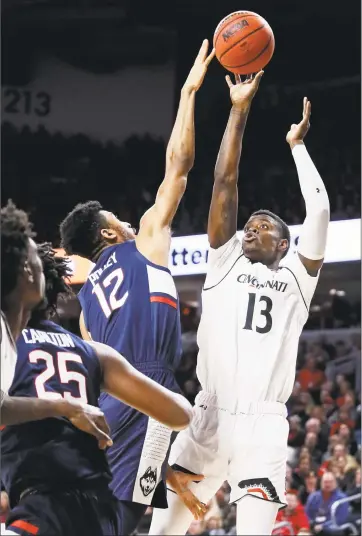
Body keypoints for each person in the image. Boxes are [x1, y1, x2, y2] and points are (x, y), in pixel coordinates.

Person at [150, 72, 330, 535]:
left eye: (265, 226)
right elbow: (225, 179)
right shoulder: (224, 259)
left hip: (262, 427)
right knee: (161, 532)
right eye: (249, 223)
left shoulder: (298, 278)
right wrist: (238, 109)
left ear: (286, 245)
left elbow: (320, 211)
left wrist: (297, 147)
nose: (251, 227)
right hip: (207, 416)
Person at [59, 40, 214, 532]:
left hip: (108, 403)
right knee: (126, 522)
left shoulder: (86, 301)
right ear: (108, 233)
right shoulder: (143, 242)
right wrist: (189, 91)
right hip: (148, 391)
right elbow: (179, 166)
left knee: (102, 516)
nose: (129, 221)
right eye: (118, 219)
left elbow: (93, 368)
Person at [1, 244, 193, 536]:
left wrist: (62, 407)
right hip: (100, 512)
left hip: (45, 508)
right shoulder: (93, 351)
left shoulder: (9, 342)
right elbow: (180, 414)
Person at [0, 201, 111, 446]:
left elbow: (4, 408)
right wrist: (68, 407)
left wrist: (67, 408)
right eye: (38, 263)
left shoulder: (11, 337)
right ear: (28, 272)